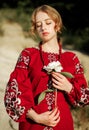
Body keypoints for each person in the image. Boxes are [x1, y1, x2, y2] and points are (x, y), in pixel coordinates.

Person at [4, 4, 89, 130]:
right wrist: (36, 117)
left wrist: (69, 87)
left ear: (57, 25)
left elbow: (84, 98)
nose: (43, 27)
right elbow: (13, 94)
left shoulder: (71, 58)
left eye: (48, 23)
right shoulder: (28, 55)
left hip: (62, 124)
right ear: (35, 29)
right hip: (33, 124)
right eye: (38, 25)